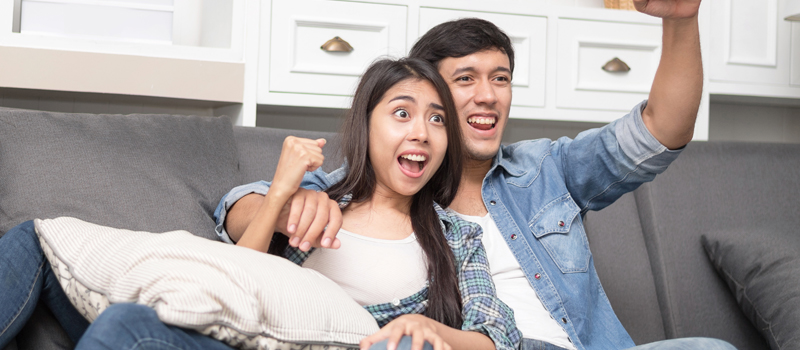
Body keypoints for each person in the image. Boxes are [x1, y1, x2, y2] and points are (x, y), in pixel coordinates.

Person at [220, 1, 735, 350]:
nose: (488, 95)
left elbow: (659, 132)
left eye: (501, 79)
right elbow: (241, 211)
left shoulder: (546, 169)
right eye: (464, 80)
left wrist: (683, 20)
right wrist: (288, 205)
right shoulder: (373, 189)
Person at [69, 58, 520, 350]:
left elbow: (499, 334)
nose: (421, 131)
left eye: (436, 119)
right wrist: (281, 192)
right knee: (119, 320)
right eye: (402, 113)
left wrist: (431, 330)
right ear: (366, 127)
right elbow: (234, 284)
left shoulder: (456, 236)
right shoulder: (319, 206)